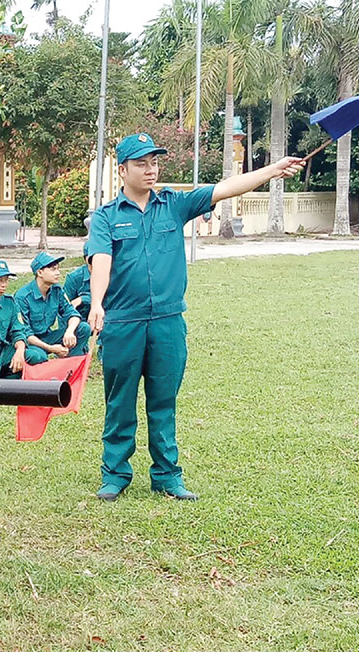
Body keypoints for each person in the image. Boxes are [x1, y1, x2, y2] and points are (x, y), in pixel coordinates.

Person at [87, 133, 304, 502]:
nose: (151, 169)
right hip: (123, 322)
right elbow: (102, 261)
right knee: (119, 402)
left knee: (163, 401)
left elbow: (225, 188)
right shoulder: (106, 218)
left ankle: (167, 476)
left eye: (154, 162)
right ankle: (115, 474)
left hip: (168, 322)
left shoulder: (174, 203)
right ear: (122, 170)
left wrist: (272, 170)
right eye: (141, 163)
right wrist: (96, 303)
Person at [15, 251, 91, 364]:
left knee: (83, 328)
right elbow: (25, 334)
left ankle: (69, 365)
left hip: (48, 336)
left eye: (58, 269)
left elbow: (72, 313)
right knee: (38, 356)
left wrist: (70, 331)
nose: (58, 273)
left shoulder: (57, 290)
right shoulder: (22, 297)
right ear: (40, 272)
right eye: (53, 269)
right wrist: (50, 348)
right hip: (31, 342)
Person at [63, 243, 92, 322]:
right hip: (81, 323)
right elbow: (64, 307)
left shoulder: (113, 275)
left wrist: (83, 299)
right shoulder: (74, 278)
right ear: (85, 258)